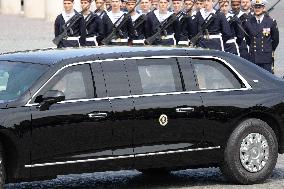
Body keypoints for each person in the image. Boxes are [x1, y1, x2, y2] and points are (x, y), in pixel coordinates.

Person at [243, 0, 279, 73]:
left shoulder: (271, 22)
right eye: (255, 7)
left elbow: (275, 40)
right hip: (254, 56)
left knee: (267, 79)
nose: (257, 9)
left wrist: (268, 49)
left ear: (263, 8)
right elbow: (247, 39)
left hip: (266, 57)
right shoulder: (248, 22)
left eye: (259, 7)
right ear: (253, 8)